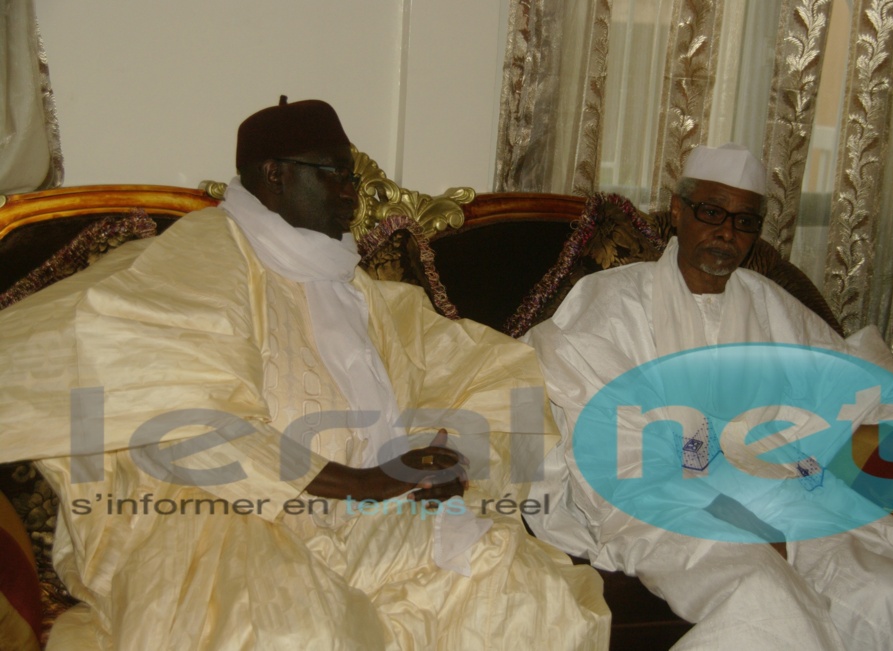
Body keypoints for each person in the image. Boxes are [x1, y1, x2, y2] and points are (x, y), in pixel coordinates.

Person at [0, 98, 610, 650]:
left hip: (377, 505)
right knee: (295, 627)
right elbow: (181, 406)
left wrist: (446, 452)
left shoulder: (363, 290)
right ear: (275, 174)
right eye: (337, 173)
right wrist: (363, 481)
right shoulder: (206, 256)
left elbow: (483, 372)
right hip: (228, 515)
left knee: (536, 602)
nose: (356, 188)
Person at [521, 143, 893, 650]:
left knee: (889, 594)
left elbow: (858, 388)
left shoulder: (771, 303)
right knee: (768, 600)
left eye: (745, 221)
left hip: (790, 496)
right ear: (679, 209)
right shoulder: (612, 301)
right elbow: (611, 440)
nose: (726, 233)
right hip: (665, 508)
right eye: (712, 212)